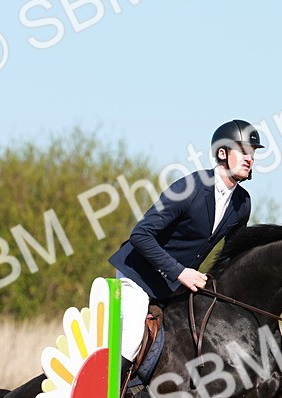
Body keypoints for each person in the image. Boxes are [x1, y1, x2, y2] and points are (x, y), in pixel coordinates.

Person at [108, 119, 264, 378]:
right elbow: (141, 235)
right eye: (243, 151)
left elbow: (233, 255)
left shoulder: (242, 202)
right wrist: (180, 272)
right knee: (132, 341)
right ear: (222, 153)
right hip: (138, 275)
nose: (250, 158)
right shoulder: (189, 188)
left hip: (175, 287)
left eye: (253, 152)